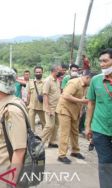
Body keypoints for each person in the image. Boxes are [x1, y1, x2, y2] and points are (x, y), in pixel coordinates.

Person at [0, 65, 27, 188]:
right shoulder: (4, 105)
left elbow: (19, 150)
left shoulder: (12, 110)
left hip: (7, 173)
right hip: (0, 169)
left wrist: (11, 181)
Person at [85, 48, 112, 188]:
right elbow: (91, 103)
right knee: (105, 163)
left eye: (105, 61)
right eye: (100, 61)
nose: (102, 64)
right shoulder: (95, 80)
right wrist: (88, 126)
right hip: (100, 129)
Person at [56, 70, 92, 164]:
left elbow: (82, 99)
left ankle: (75, 151)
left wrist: (80, 111)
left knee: (75, 132)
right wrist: (81, 101)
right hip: (65, 110)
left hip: (75, 111)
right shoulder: (74, 82)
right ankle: (62, 155)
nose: (92, 83)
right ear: (87, 78)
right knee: (65, 132)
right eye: (91, 80)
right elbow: (66, 95)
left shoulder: (86, 86)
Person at [41, 64, 62, 148]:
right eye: (60, 70)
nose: (61, 72)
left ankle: (52, 142)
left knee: (56, 125)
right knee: (49, 126)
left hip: (57, 107)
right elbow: (45, 95)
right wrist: (48, 109)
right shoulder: (48, 80)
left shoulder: (57, 80)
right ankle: (39, 143)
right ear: (55, 71)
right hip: (50, 108)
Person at [27, 66, 46, 132]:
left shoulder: (45, 82)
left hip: (42, 107)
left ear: (42, 72)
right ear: (34, 73)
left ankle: (44, 139)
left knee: (44, 123)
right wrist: (27, 103)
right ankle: (33, 138)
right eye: (37, 72)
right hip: (32, 107)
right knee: (31, 124)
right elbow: (29, 94)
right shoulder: (30, 82)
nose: (38, 73)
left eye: (39, 72)